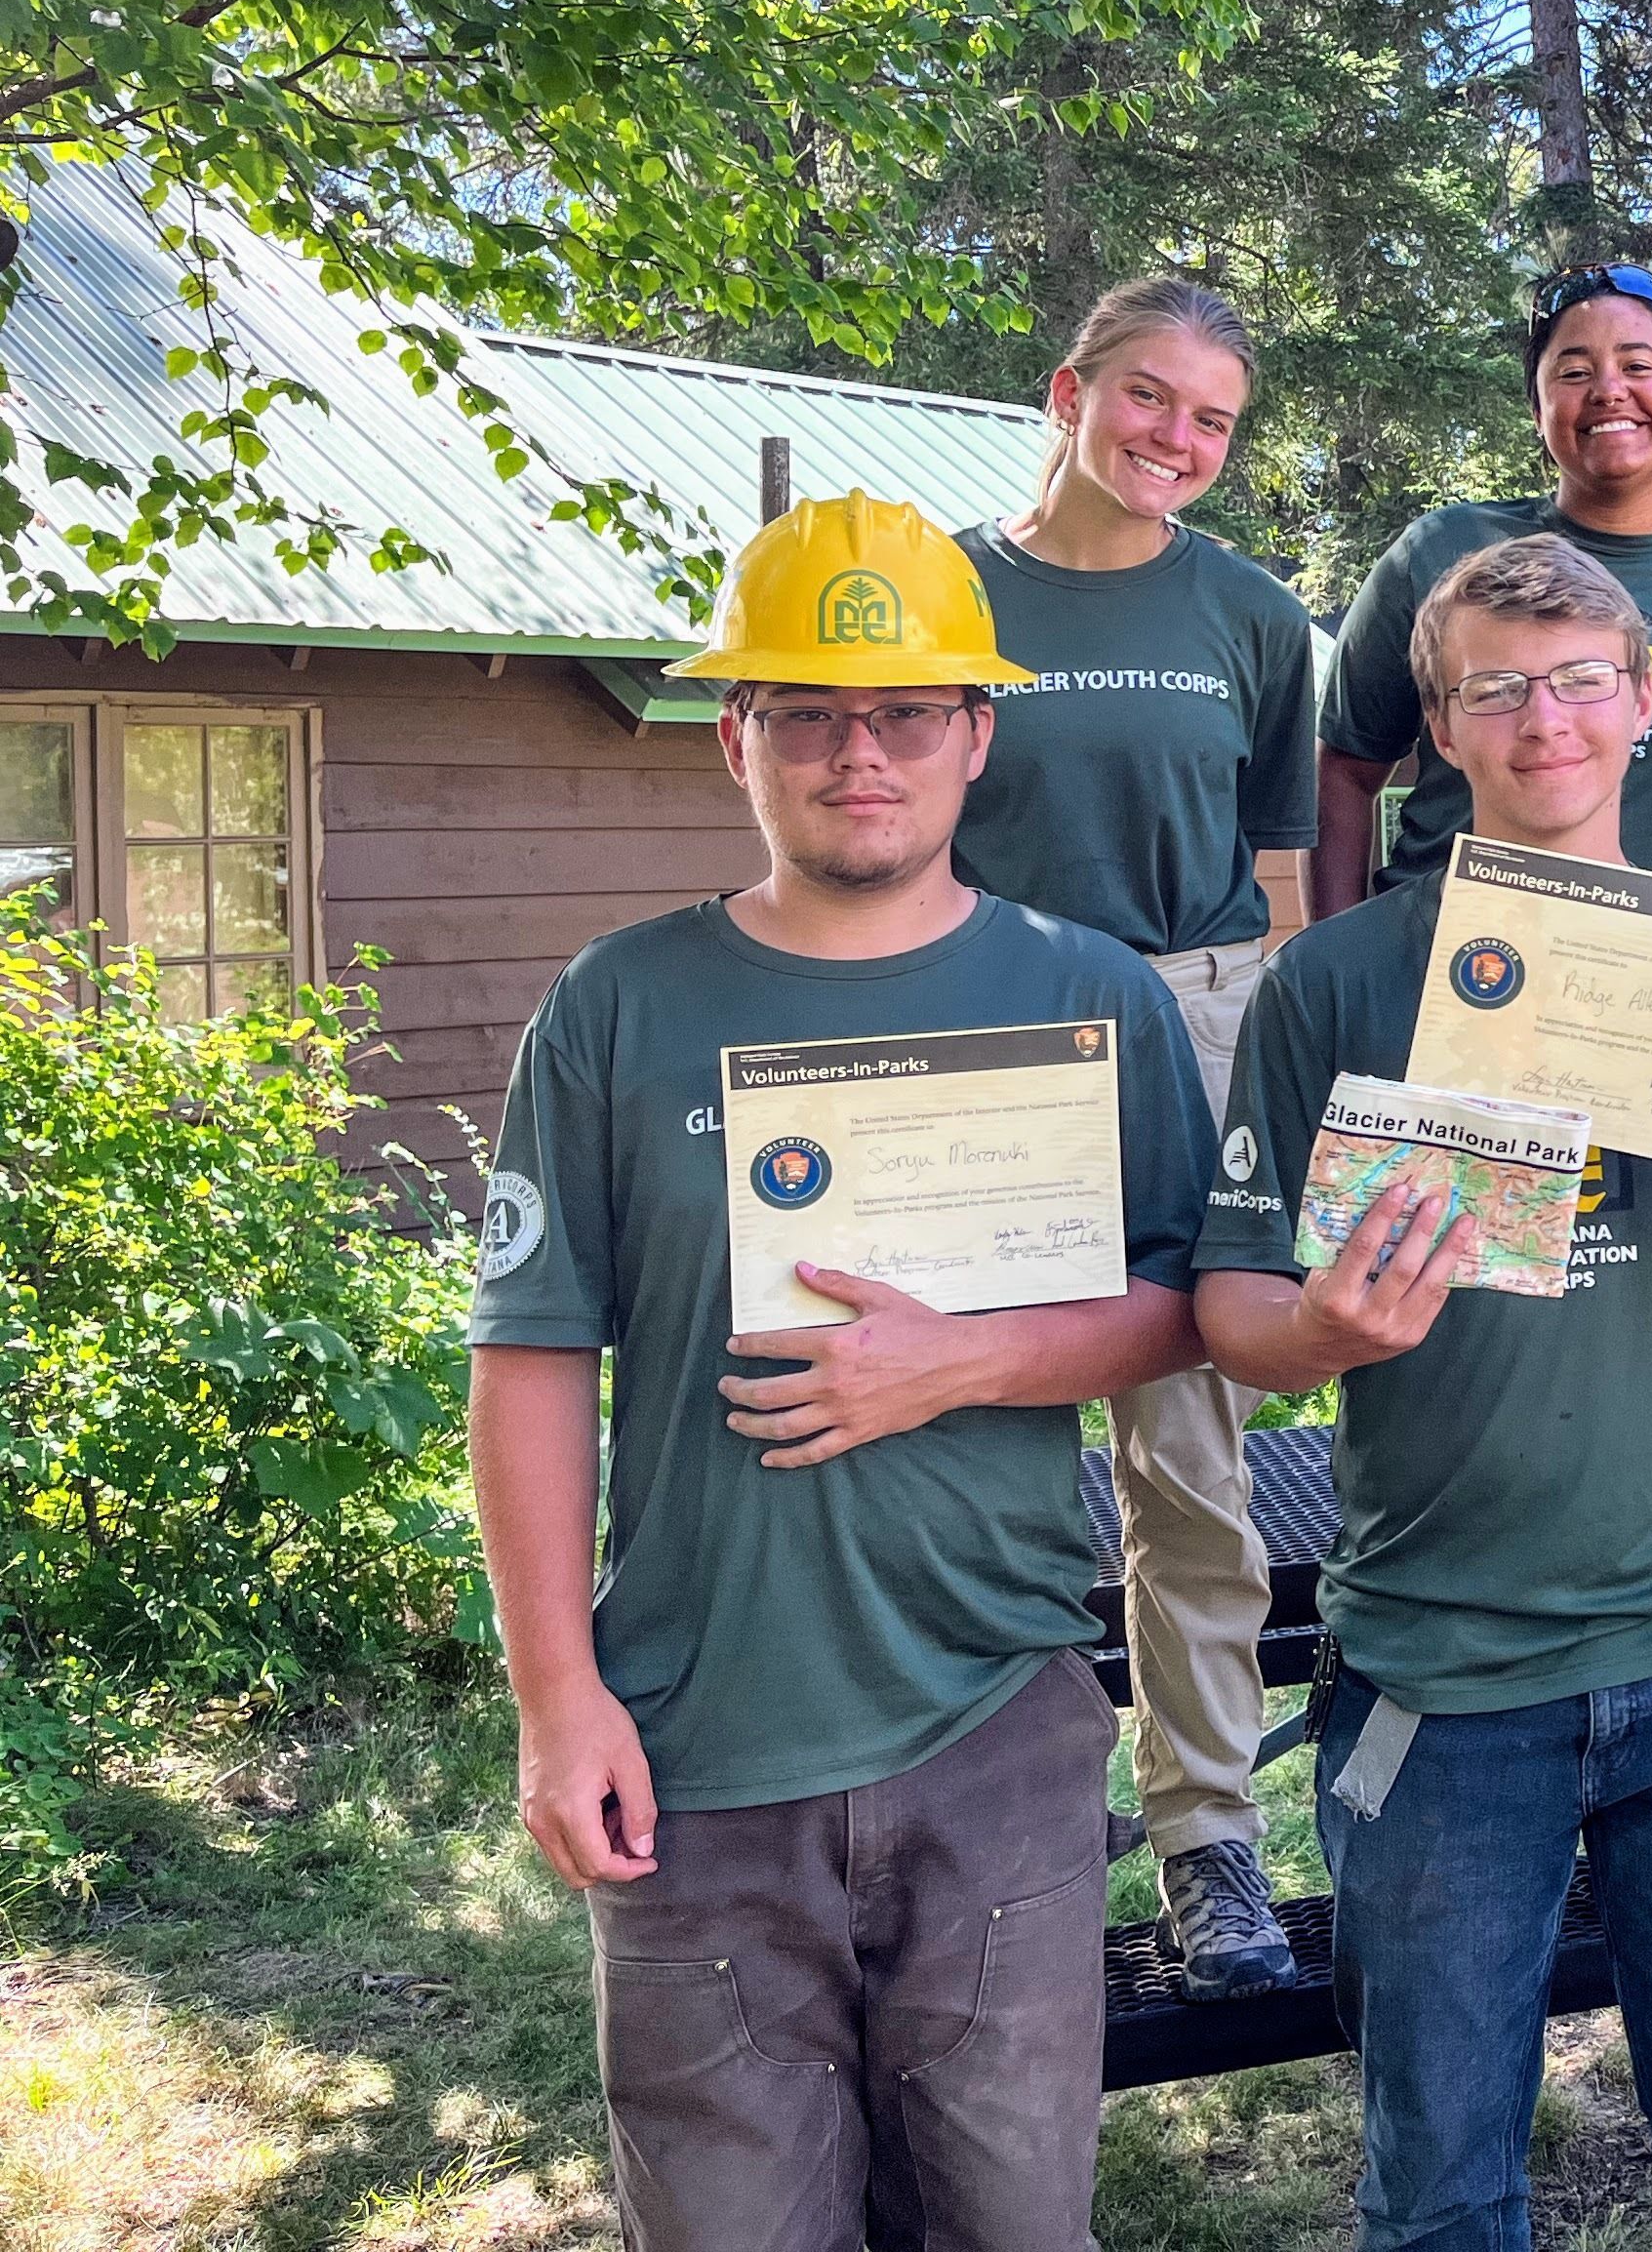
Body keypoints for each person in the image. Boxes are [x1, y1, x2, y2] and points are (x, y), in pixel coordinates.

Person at [467, 494, 1217, 2252]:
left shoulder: (1087, 992)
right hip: (697, 1741)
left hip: (997, 1722)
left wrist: (967, 1361)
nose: (855, 752)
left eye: (902, 710)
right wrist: (556, 1693)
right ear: (736, 736)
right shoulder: (618, 1005)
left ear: (975, 733)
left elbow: (1189, 1303)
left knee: (1015, 2221)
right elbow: (527, 1355)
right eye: (805, 708)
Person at [1196, 534, 1652, 2252]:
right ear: (1436, 727)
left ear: (1645, 703)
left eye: (1581, 677)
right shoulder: (1337, 976)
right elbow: (1228, 1304)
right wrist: (1325, 1332)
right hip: (1439, 1667)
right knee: (1436, 2187)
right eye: (1496, 687)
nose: (1545, 718)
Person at [953, 273, 1324, 2001]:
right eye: (1150, 397)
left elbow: (1284, 880)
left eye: (1212, 417)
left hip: (1197, 1021)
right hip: (985, 1035)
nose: (1177, 438)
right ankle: (997, 1814)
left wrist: (1286, 1065)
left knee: (1190, 1462)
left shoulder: (1247, 613)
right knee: (967, 1437)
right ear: (1068, 389)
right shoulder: (944, 590)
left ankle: (1207, 1843)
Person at [1314, 261, 1652, 922]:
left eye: (1638, 366)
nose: (1608, 391)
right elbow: (1346, 769)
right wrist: (1337, 958)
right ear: (1538, 410)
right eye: (1573, 372)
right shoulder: (1440, 554)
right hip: (1449, 978)